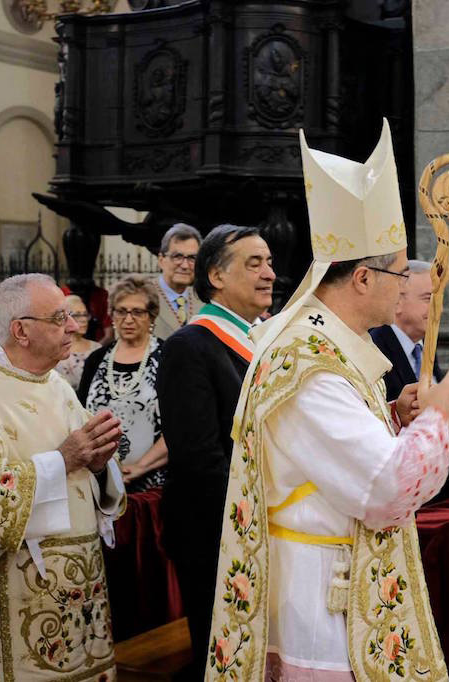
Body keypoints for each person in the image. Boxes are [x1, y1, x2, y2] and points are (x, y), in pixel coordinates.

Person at [205, 120, 449, 680]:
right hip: (324, 602)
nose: (405, 287)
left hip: (335, 579)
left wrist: (395, 415)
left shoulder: (327, 344)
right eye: (398, 273)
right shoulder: (312, 364)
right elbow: (385, 488)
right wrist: (437, 419)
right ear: (362, 279)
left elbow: (330, 449)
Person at [0, 273, 126, 681]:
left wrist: (98, 463)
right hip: (26, 586)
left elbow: (86, 467)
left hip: (84, 578)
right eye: (59, 317)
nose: (73, 326)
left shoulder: (57, 384)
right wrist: (62, 460)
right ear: (21, 330)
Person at [158, 224, 275, 676]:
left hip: (264, 524)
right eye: (254, 263)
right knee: (226, 657)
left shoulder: (265, 338)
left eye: (269, 262)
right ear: (217, 276)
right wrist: (260, 511)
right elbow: (198, 459)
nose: (269, 273)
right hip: (217, 533)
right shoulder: (189, 346)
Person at [79, 275, 169, 491]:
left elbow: (180, 426)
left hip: (152, 487)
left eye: (137, 312)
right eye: (121, 311)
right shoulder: (96, 359)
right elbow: (79, 417)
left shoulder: (168, 357)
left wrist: (139, 467)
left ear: (151, 316)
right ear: (112, 314)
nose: (128, 319)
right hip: (98, 482)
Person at [370, 259, 446, 400]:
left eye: (439, 300)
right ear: (397, 301)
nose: (439, 309)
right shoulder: (374, 350)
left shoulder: (425, 344)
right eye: (428, 298)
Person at [153, 223, 202, 339]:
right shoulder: (143, 296)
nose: (185, 265)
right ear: (161, 260)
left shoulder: (202, 300)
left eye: (192, 258)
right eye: (177, 257)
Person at [54, 294, 103, 390]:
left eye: (85, 314)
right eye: (77, 315)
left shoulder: (97, 348)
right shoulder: (55, 349)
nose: (84, 319)